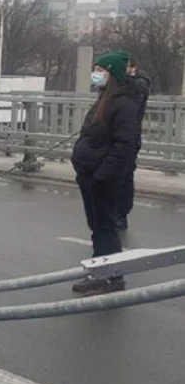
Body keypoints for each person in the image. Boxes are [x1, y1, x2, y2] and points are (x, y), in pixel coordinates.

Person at [70, 51, 141, 296]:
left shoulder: (123, 104)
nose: (96, 74)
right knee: (98, 226)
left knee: (105, 227)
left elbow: (124, 146)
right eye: (96, 69)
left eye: (101, 70)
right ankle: (102, 273)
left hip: (102, 177)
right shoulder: (105, 99)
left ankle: (108, 277)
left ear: (113, 74)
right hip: (90, 173)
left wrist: (102, 175)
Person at [115, 53, 151, 230]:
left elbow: (133, 102)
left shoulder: (139, 84)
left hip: (129, 137)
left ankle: (121, 214)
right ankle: (112, 212)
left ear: (132, 67)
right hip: (114, 135)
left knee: (124, 176)